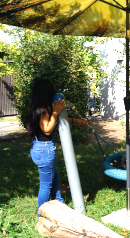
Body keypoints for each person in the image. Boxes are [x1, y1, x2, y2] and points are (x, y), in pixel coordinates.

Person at [27, 78, 87, 216]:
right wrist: (56, 112)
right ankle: (40, 214)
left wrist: (76, 121)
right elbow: (47, 129)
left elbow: (54, 123)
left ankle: (60, 203)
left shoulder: (38, 108)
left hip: (40, 148)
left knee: (55, 178)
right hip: (44, 150)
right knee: (45, 186)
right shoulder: (43, 110)